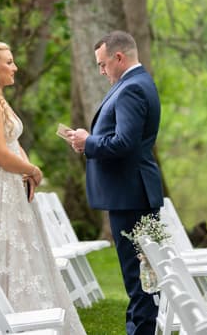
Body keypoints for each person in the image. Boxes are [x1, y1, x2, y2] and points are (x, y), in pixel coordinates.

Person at [0, 41, 86, 335]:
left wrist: (27, 173)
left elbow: (14, 144)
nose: (15, 67)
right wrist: (33, 170)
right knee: (1, 251)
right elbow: (0, 155)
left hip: (13, 186)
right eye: (9, 62)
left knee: (24, 252)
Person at [67, 31, 164, 335]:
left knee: (139, 278)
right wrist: (89, 140)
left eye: (102, 64)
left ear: (119, 57)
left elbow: (125, 144)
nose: (101, 71)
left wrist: (89, 142)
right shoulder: (134, 83)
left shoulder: (132, 89)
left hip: (131, 196)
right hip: (131, 194)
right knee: (141, 274)